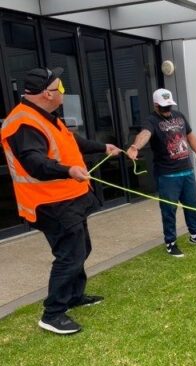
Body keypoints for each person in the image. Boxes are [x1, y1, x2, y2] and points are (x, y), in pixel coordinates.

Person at [0, 67, 121, 335]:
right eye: (61, 88)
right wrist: (67, 170)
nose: (64, 92)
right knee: (69, 255)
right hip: (50, 203)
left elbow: (71, 142)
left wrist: (103, 148)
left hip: (70, 198)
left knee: (82, 248)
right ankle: (53, 313)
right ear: (46, 94)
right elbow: (34, 162)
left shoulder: (47, 117)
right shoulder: (23, 123)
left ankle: (74, 296)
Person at [127, 89, 196, 258]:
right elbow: (145, 134)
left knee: (192, 205)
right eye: (164, 106)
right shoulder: (151, 121)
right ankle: (170, 242)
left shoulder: (179, 116)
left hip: (186, 170)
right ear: (156, 105)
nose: (167, 109)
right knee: (169, 210)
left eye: (169, 106)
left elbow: (191, 137)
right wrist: (135, 147)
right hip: (167, 175)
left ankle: (195, 235)